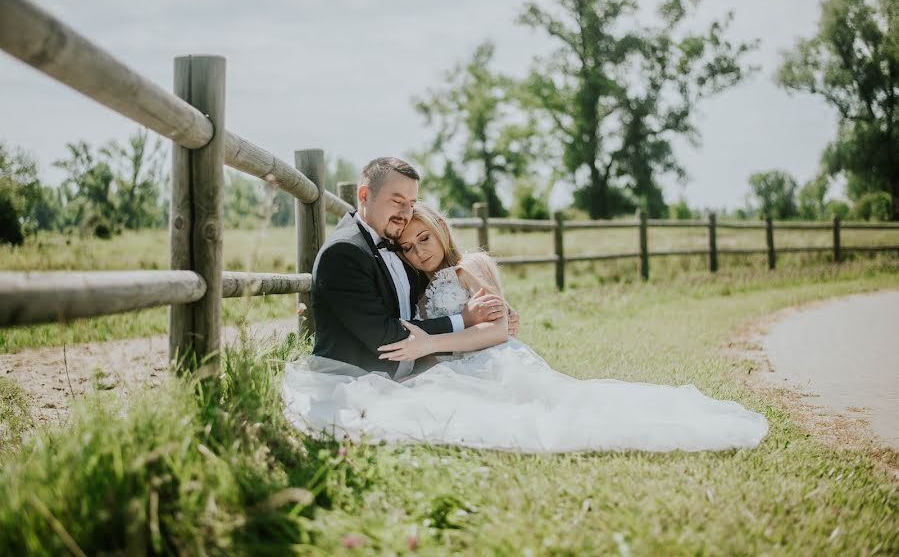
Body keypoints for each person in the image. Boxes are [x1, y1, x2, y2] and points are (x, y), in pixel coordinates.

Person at [283, 202, 769, 453]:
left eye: (425, 238)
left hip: (492, 360)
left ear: (442, 230)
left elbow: (497, 331)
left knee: (541, 415)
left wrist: (432, 341)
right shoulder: (421, 277)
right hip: (454, 362)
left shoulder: (469, 266)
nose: (418, 251)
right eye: (408, 246)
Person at [306, 157, 515, 380]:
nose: (406, 213)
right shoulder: (343, 252)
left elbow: (444, 290)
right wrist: (464, 320)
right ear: (365, 195)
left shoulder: (398, 246)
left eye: (412, 204)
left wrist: (502, 310)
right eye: (397, 201)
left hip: (426, 370)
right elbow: (387, 338)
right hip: (357, 377)